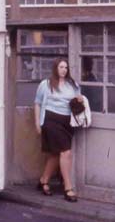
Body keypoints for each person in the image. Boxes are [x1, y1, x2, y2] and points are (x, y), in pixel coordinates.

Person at [33, 58, 83, 203]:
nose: (64, 70)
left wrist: (79, 100)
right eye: (61, 67)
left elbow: (78, 101)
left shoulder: (72, 85)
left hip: (67, 122)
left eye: (66, 67)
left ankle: (44, 180)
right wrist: (37, 123)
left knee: (56, 154)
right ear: (56, 68)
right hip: (51, 121)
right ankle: (68, 188)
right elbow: (37, 103)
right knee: (66, 152)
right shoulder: (46, 84)